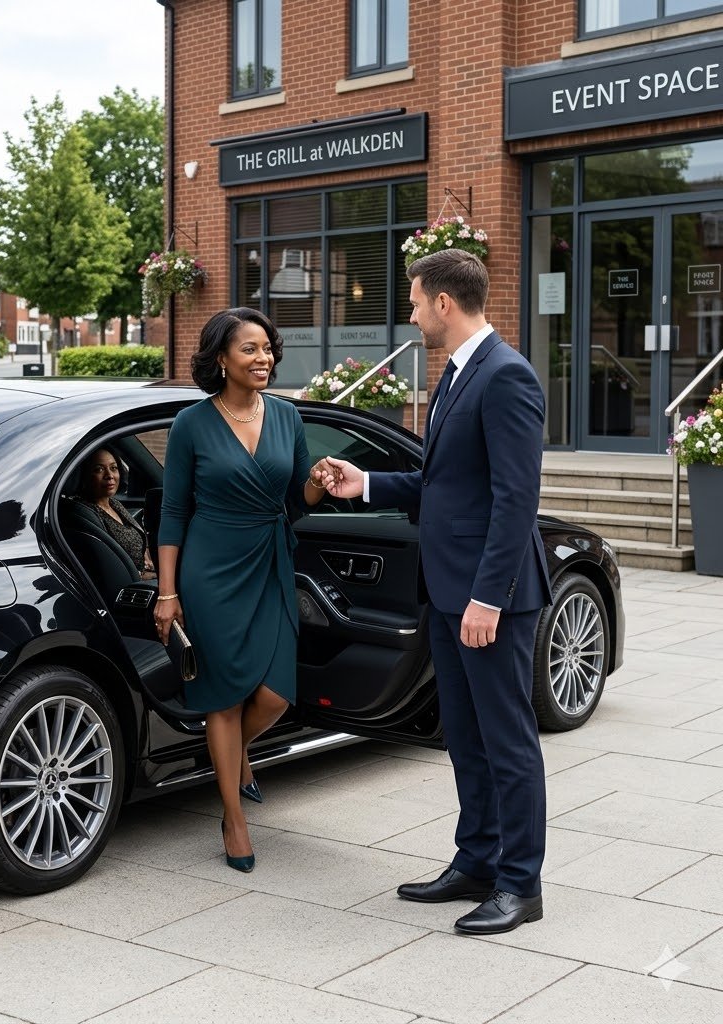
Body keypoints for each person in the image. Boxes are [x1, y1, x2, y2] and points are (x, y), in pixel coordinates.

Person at [322, 249, 552, 935]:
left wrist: (489, 597)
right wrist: (361, 484)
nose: (413, 313)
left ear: (445, 303)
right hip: (449, 591)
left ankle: (521, 884)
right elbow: (443, 485)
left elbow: (517, 500)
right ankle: (476, 862)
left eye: (417, 300)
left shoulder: (506, 376)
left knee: (508, 742)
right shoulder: (455, 376)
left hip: (491, 598)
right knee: (467, 740)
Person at [154, 307, 332, 873]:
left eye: (268, 348)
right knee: (224, 696)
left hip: (270, 562)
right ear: (221, 359)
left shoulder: (286, 416)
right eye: (250, 349)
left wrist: (319, 481)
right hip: (210, 570)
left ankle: (237, 759)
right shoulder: (192, 424)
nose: (264, 359)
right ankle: (233, 815)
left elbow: (296, 501)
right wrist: (166, 592)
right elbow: (173, 510)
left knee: (275, 695)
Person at [73, 448, 156, 579]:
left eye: (113, 468)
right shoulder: (87, 513)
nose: (109, 475)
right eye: (99, 469)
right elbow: (108, 569)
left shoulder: (114, 503)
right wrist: (149, 576)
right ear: (84, 475)